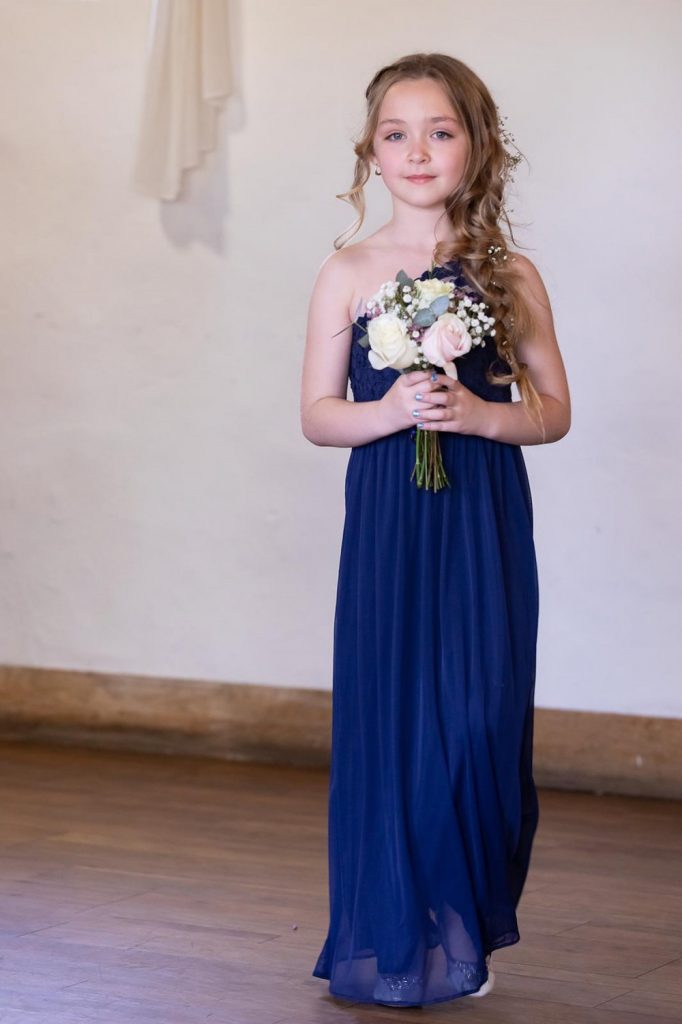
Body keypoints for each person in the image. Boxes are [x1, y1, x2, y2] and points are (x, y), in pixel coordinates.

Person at [300, 51, 571, 1009]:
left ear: (476, 145)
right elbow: (319, 414)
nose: (418, 152)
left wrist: (479, 413)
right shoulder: (348, 271)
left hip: (480, 517)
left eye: (441, 131)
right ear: (371, 153)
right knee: (393, 719)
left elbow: (553, 411)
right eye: (396, 133)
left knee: (478, 718)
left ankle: (464, 911)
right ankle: (393, 933)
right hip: (390, 519)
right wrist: (394, 410)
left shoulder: (510, 273)